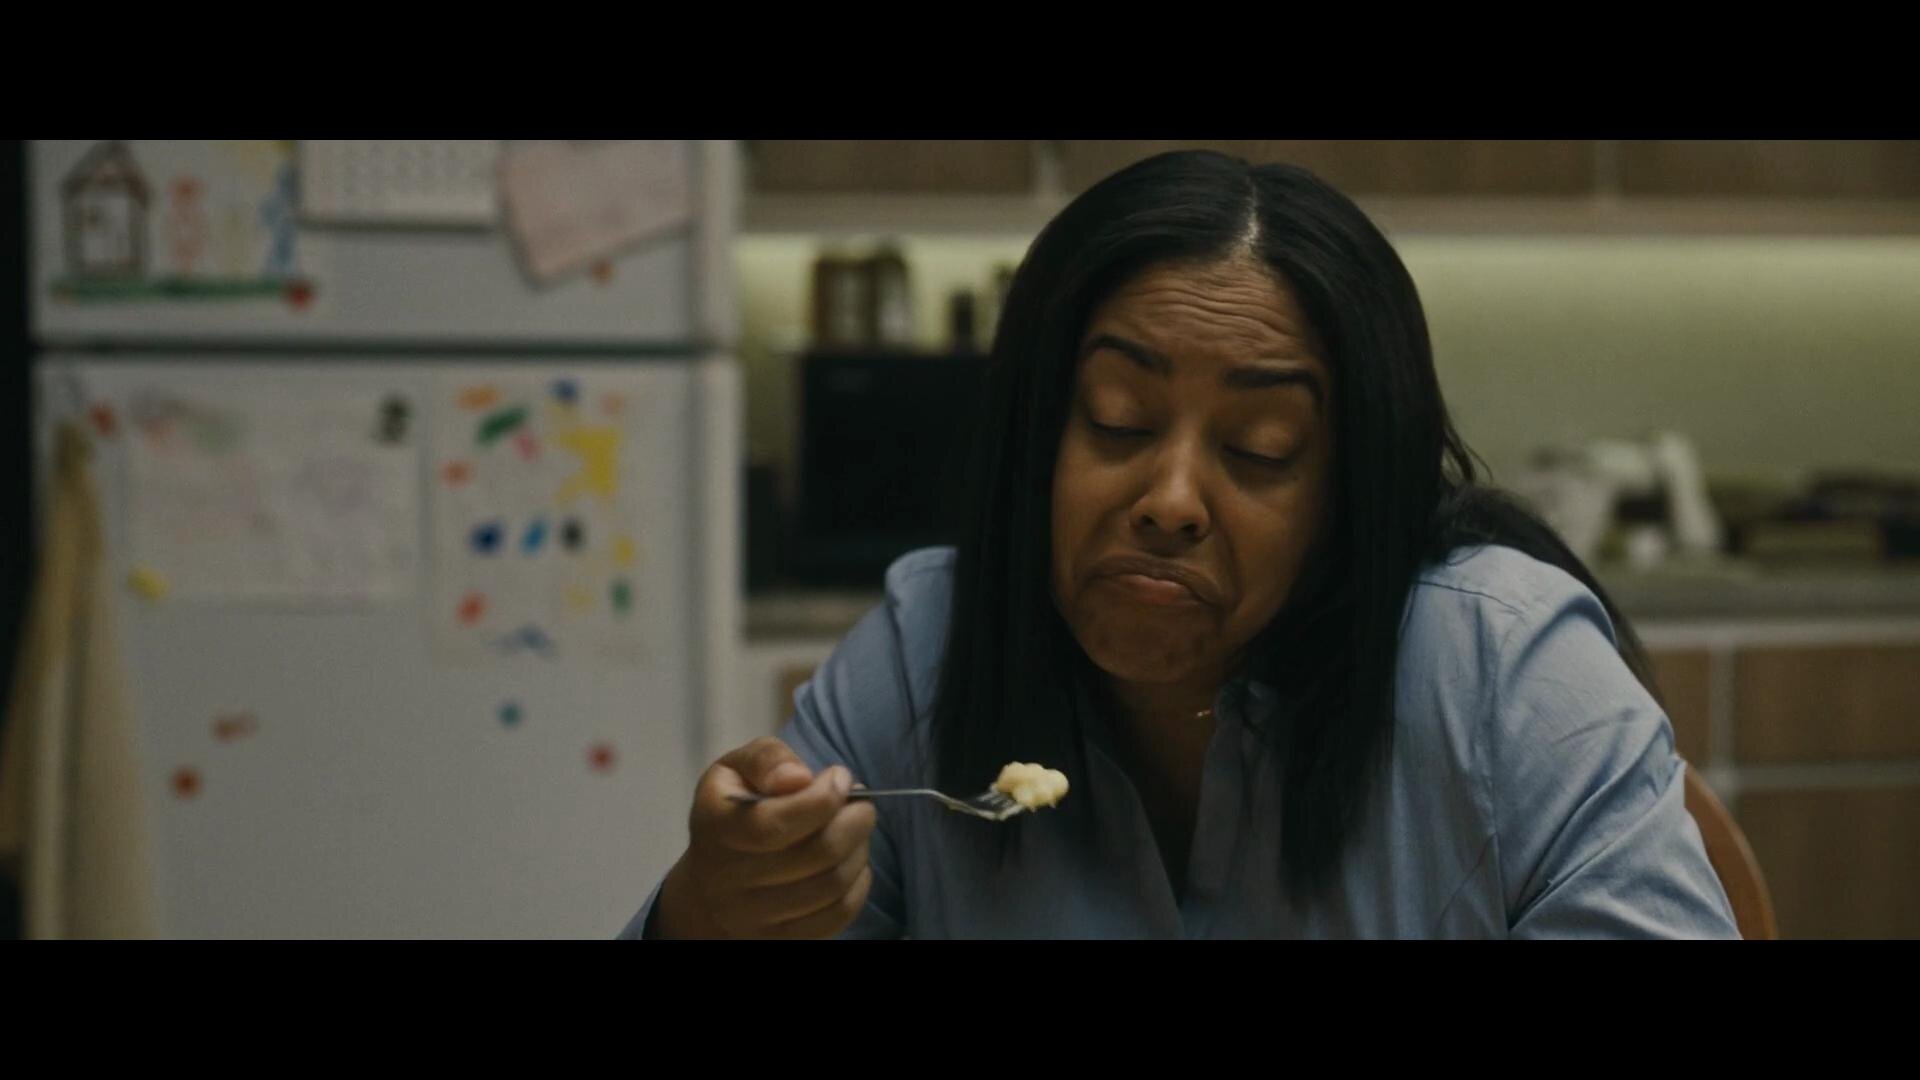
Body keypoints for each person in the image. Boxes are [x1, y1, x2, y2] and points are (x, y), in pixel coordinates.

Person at [623, 150, 1740, 939]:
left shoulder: (1507, 673)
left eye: (1260, 448)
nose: (1169, 500)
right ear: (1032, 438)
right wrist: (712, 914)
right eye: (1116, 421)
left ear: (1351, 500)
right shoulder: (924, 655)